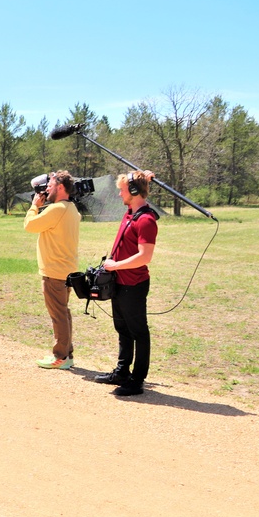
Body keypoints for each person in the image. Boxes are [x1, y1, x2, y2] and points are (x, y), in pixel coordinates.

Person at [97, 170, 160, 397]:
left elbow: (145, 256)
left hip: (133, 284)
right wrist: (144, 177)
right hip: (120, 283)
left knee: (138, 332)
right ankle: (122, 372)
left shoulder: (146, 220)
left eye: (123, 189)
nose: (119, 193)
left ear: (133, 191)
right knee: (122, 329)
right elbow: (139, 186)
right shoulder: (130, 213)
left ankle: (137, 380)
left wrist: (115, 266)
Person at [24, 170, 81, 370]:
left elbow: (30, 225)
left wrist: (34, 207)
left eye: (51, 185)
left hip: (55, 272)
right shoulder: (71, 208)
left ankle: (61, 356)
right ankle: (67, 354)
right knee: (63, 313)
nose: (46, 189)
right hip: (65, 270)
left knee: (58, 315)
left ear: (61, 188)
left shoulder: (56, 209)